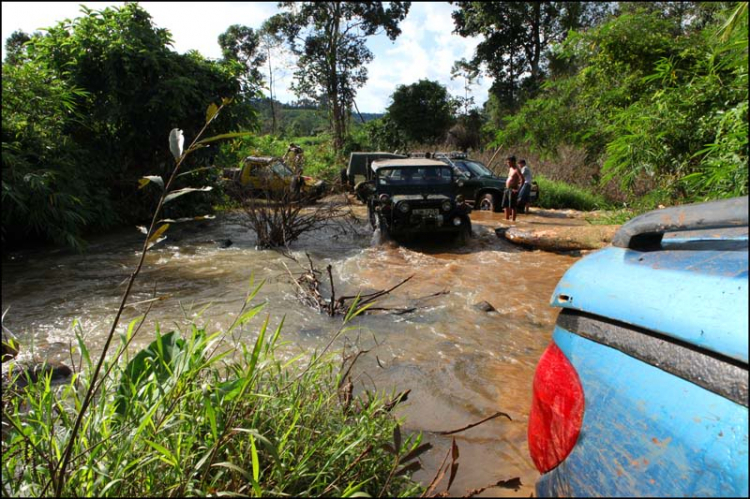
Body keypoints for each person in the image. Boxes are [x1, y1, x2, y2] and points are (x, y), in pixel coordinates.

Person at [501, 155, 523, 221]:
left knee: (513, 206)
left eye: (509, 162)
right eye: (507, 162)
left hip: (513, 189)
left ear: (513, 162)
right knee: (506, 205)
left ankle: (513, 221)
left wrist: (518, 190)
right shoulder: (510, 169)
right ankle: (506, 219)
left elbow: (522, 180)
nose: (508, 164)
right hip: (507, 189)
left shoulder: (517, 170)